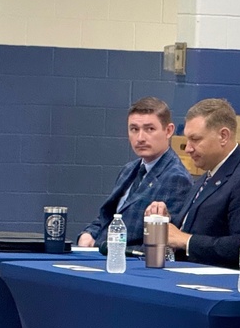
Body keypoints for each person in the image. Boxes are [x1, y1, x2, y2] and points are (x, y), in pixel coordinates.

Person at [145, 98, 240, 267]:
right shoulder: (205, 177)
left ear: (223, 136)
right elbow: (193, 230)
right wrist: (167, 223)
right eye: (187, 140)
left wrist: (186, 241)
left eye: (195, 139)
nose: (188, 148)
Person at [78, 97, 192, 248]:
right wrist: (89, 233)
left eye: (149, 129)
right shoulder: (129, 169)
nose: (140, 138)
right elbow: (110, 217)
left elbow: (164, 242)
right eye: (134, 129)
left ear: (168, 131)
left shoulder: (176, 178)